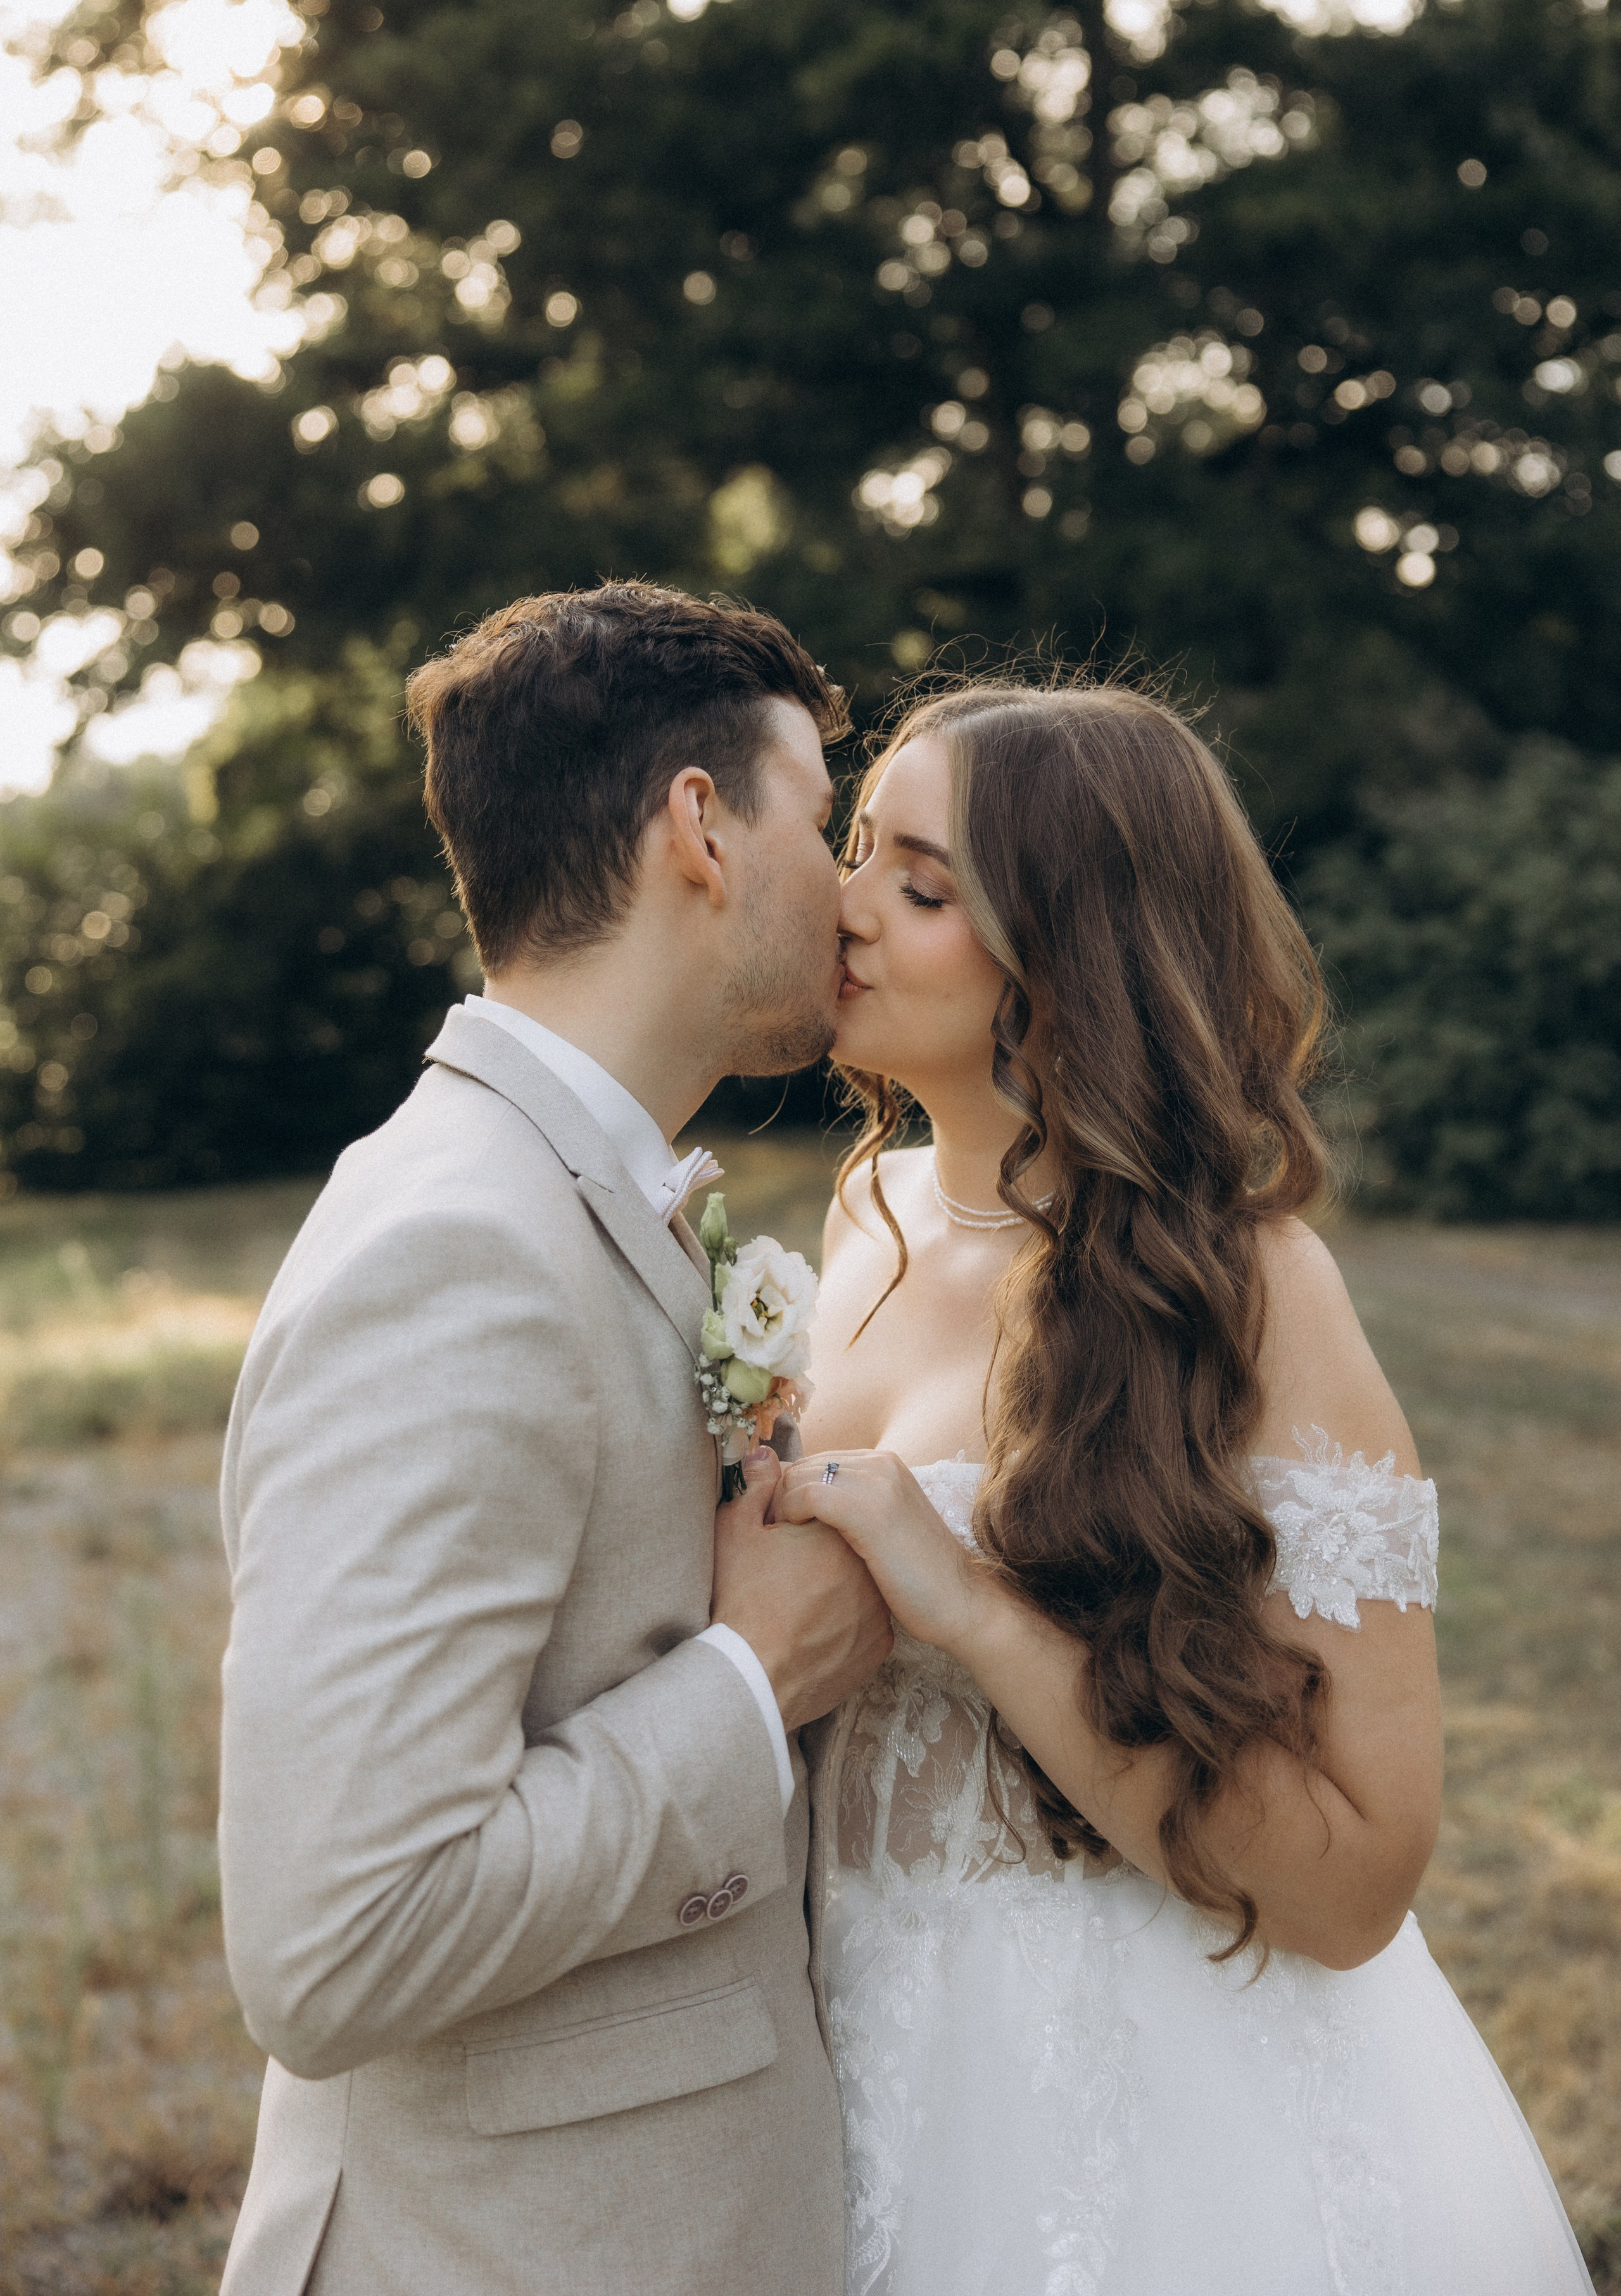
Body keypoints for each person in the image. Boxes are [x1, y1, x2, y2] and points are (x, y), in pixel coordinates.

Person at [747, 675, 1593, 2295]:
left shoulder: (1252, 1296)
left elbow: (1354, 1886)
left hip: (1151, 2108)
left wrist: (978, 1616)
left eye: (919, 887)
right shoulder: (861, 1221)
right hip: (851, 2061)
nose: (842, 906)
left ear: (1068, 969)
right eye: (859, 847)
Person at [216, 583, 892, 2296]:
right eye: (825, 816)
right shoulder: (457, 1251)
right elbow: (341, 1939)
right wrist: (751, 1685)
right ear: (702, 831)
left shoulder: (586, 1194)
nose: (855, 889)